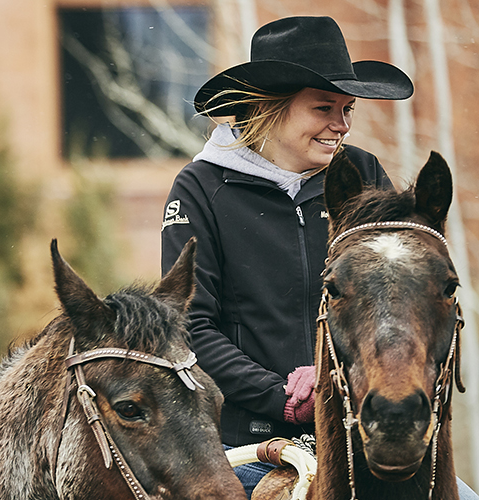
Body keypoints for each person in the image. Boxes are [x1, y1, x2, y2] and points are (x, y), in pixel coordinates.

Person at [161, 16, 477, 498]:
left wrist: (345, 378)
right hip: (248, 450)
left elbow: (393, 303)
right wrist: (285, 398)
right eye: (324, 108)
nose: (342, 124)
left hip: (362, 440)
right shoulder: (200, 189)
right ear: (269, 108)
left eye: (348, 108)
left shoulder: (361, 173)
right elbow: (190, 327)